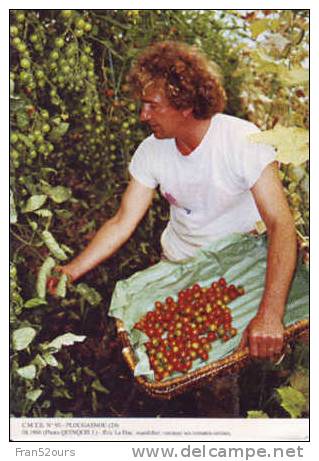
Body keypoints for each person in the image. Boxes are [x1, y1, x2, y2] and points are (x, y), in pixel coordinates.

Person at [48, 41, 297, 360]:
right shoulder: (152, 151)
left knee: (230, 364)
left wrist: (270, 315)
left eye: (152, 105)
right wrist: (71, 271)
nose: (143, 115)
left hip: (239, 273)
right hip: (181, 268)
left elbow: (281, 224)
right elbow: (123, 221)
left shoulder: (242, 141)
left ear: (185, 105)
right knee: (175, 356)